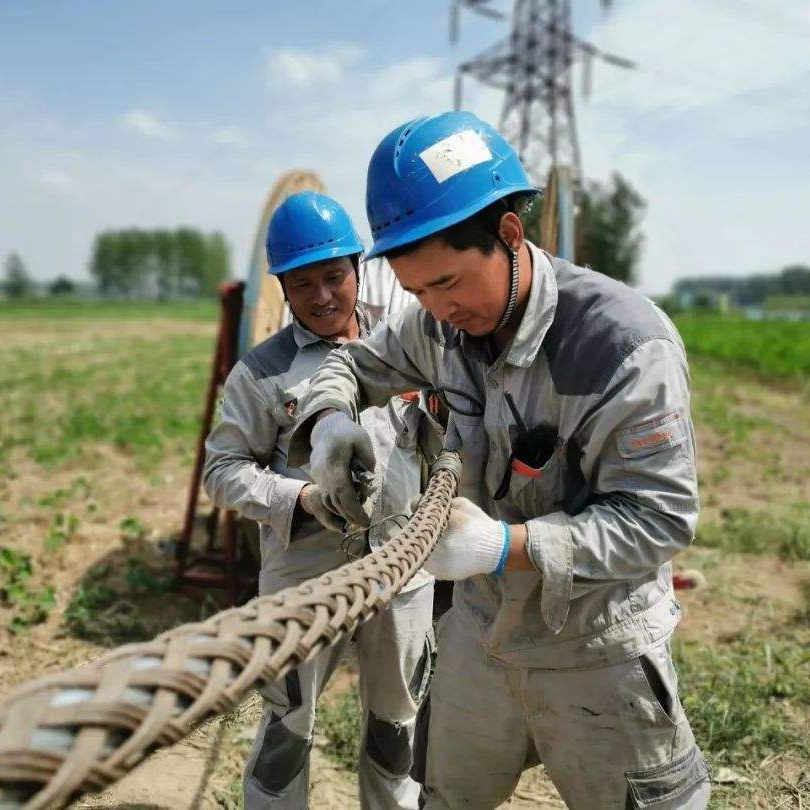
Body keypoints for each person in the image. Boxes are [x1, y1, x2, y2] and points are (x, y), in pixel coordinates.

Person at [287, 112, 711, 807]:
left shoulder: (623, 346)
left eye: (448, 283)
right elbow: (354, 365)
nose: (436, 308)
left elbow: (658, 520)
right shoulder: (439, 326)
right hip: (480, 640)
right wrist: (332, 421)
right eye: (417, 290)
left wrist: (505, 546)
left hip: (595, 646)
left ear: (509, 235)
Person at [203, 191, 435, 809]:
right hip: (304, 577)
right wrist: (300, 497)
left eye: (334, 276)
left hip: (402, 569)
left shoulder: (406, 342)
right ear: (281, 288)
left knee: (397, 732)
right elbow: (222, 469)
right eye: (303, 283)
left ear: (359, 268)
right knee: (287, 732)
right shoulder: (262, 372)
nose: (324, 296)